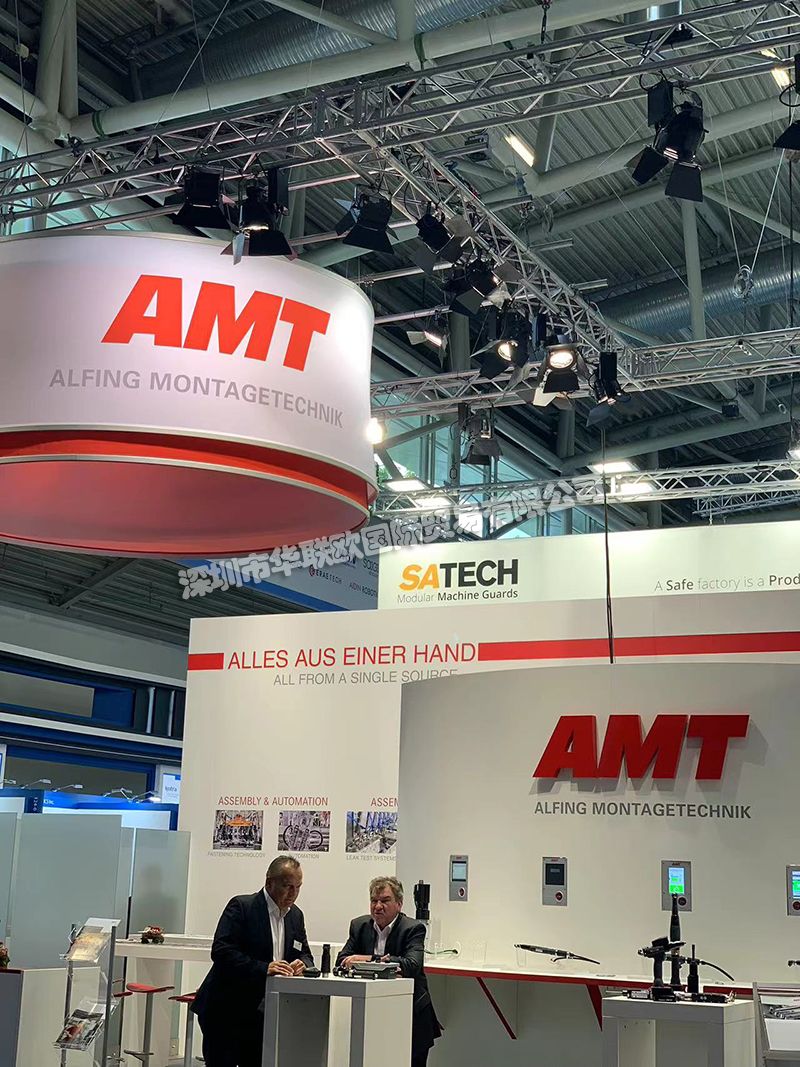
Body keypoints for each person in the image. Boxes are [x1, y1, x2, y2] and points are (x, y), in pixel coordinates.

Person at [192, 855, 314, 1067]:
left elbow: (306, 954)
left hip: (263, 1013)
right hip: (226, 1010)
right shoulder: (242, 906)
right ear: (269, 882)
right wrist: (264, 967)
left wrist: (303, 964)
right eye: (287, 886)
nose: (293, 893)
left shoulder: (296, 916)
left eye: (298, 887)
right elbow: (221, 951)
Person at [337, 876, 441, 1067]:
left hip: (411, 1018)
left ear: (399, 904)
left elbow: (411, 965)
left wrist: (368, 959)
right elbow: (342, 960)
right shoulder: (359, 926)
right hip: (374, 1015)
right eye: (374, 901)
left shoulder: (413, 928)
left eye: (385, 900)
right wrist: (379, 962)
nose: (378, 906)